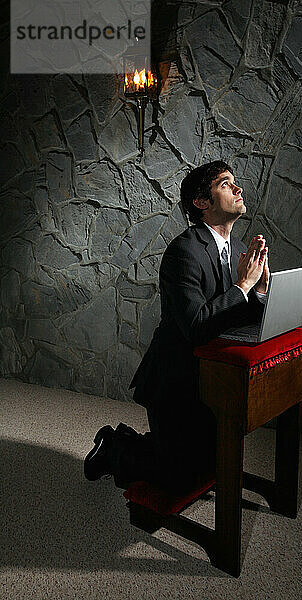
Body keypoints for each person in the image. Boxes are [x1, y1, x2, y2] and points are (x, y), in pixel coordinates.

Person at [84, 160, 269, 492]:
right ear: (201, 202)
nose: (238, 188)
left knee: (209, 464)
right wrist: (242, 287)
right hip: (176, 381)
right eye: (226, 185)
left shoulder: (241, 249)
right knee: (182, 478)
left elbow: (237, 318)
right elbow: (197, 327)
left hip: (213, 379)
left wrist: (259, 290)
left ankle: (139, 441)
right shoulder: (184, 252)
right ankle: (114, 447)